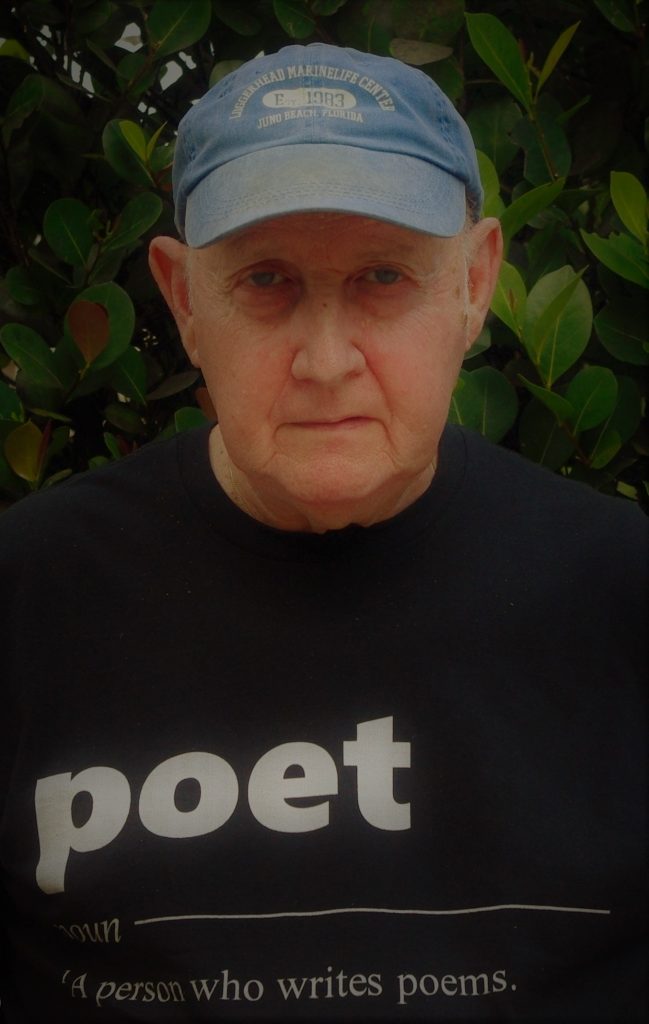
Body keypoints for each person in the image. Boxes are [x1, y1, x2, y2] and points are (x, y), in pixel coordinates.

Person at [0, 42, 646, 1023]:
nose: (326, 358)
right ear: (182, 299)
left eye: (384, 276)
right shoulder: (28, 595)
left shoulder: (619, 592)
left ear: (474, 285)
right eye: (266, 281)